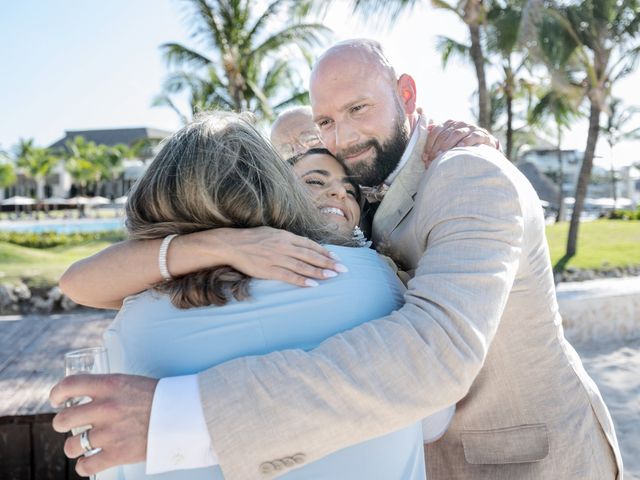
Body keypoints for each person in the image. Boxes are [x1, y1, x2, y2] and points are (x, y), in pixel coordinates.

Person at [51, 38, 622, 480]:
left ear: (407, 95)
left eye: (358, 108)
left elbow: (435, 354)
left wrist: (179, 415)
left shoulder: (468, 173)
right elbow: (84, 281)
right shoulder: (358, 195)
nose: (342, 136)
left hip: (524, 462)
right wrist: (216, 245)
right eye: (326, 121)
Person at [88, 112, 457, 479]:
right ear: (278, 186)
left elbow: (110, 464)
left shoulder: (135, 324)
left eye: (350, 190)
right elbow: (432, 419)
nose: (337, 194)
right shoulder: (376, 281)